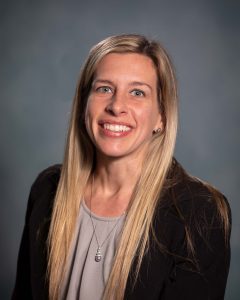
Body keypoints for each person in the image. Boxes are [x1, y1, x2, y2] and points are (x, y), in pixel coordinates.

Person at [12, 34, 231, 300]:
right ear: (84, 105)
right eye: (104, 88)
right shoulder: (47, 190)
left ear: (161, 116)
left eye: (137, 92)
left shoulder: (199, 214)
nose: (116, 106)